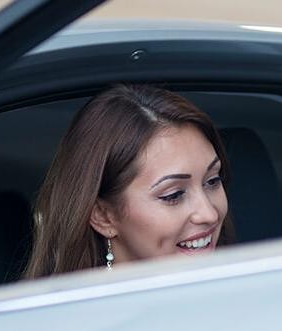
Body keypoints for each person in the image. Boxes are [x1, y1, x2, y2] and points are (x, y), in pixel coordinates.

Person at [24, 84, 230, 278]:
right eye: (173, 195)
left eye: (212, 181)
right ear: (103, 216)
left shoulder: (249, 295)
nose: (209, 214)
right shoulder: (76, 315)